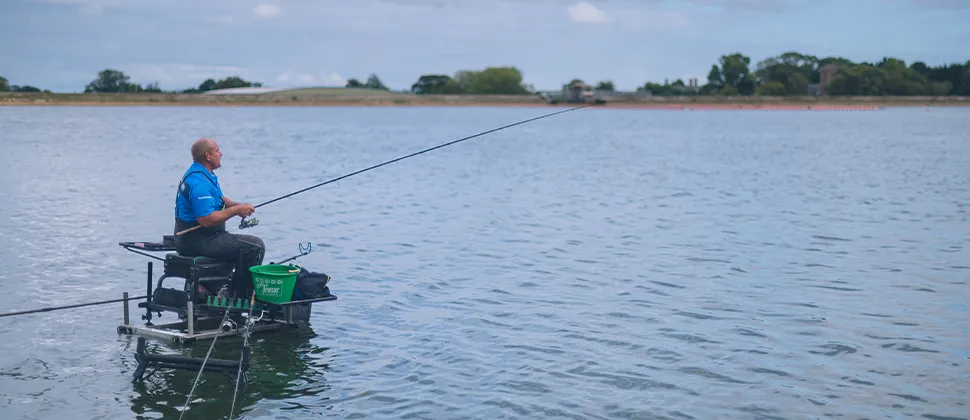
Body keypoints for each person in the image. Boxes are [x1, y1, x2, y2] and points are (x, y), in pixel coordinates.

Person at [174, 137, 265, 298]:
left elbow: (219, 199)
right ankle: (239, 297)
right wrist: (236, 210)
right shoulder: (199, 182)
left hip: (203, 237)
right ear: (208, 156)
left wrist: (237, 205)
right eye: (217, 151)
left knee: (239, 246)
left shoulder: (203, 174)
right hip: (197, 240)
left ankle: (212, 287)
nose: (221, 154)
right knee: (255, 247)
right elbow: (207, 219)